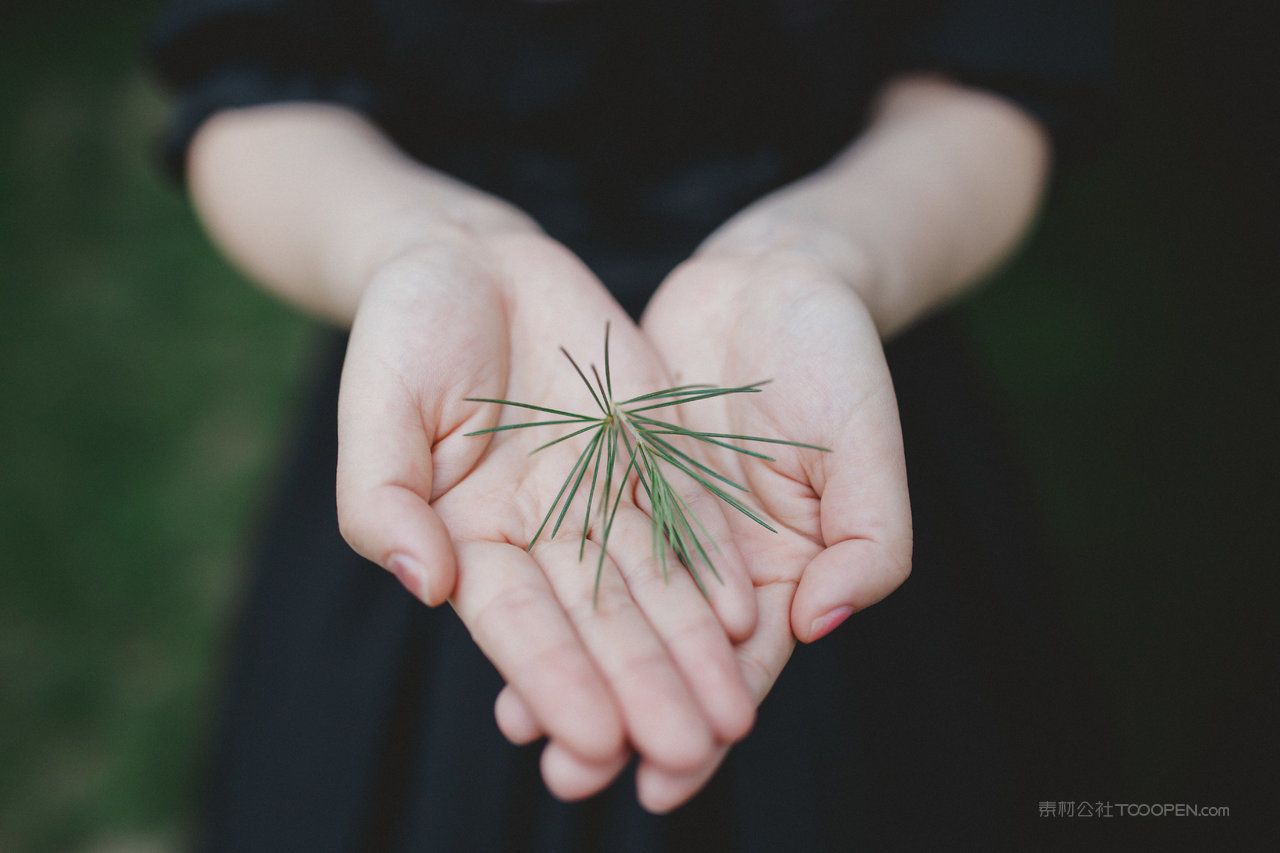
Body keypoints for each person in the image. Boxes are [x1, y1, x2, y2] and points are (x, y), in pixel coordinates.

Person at [150, 1, 1114, 849]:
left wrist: (825, 252)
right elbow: (251, 83)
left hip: (807, 377)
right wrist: (419, 242)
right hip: (472, 414)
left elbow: (995, 78)